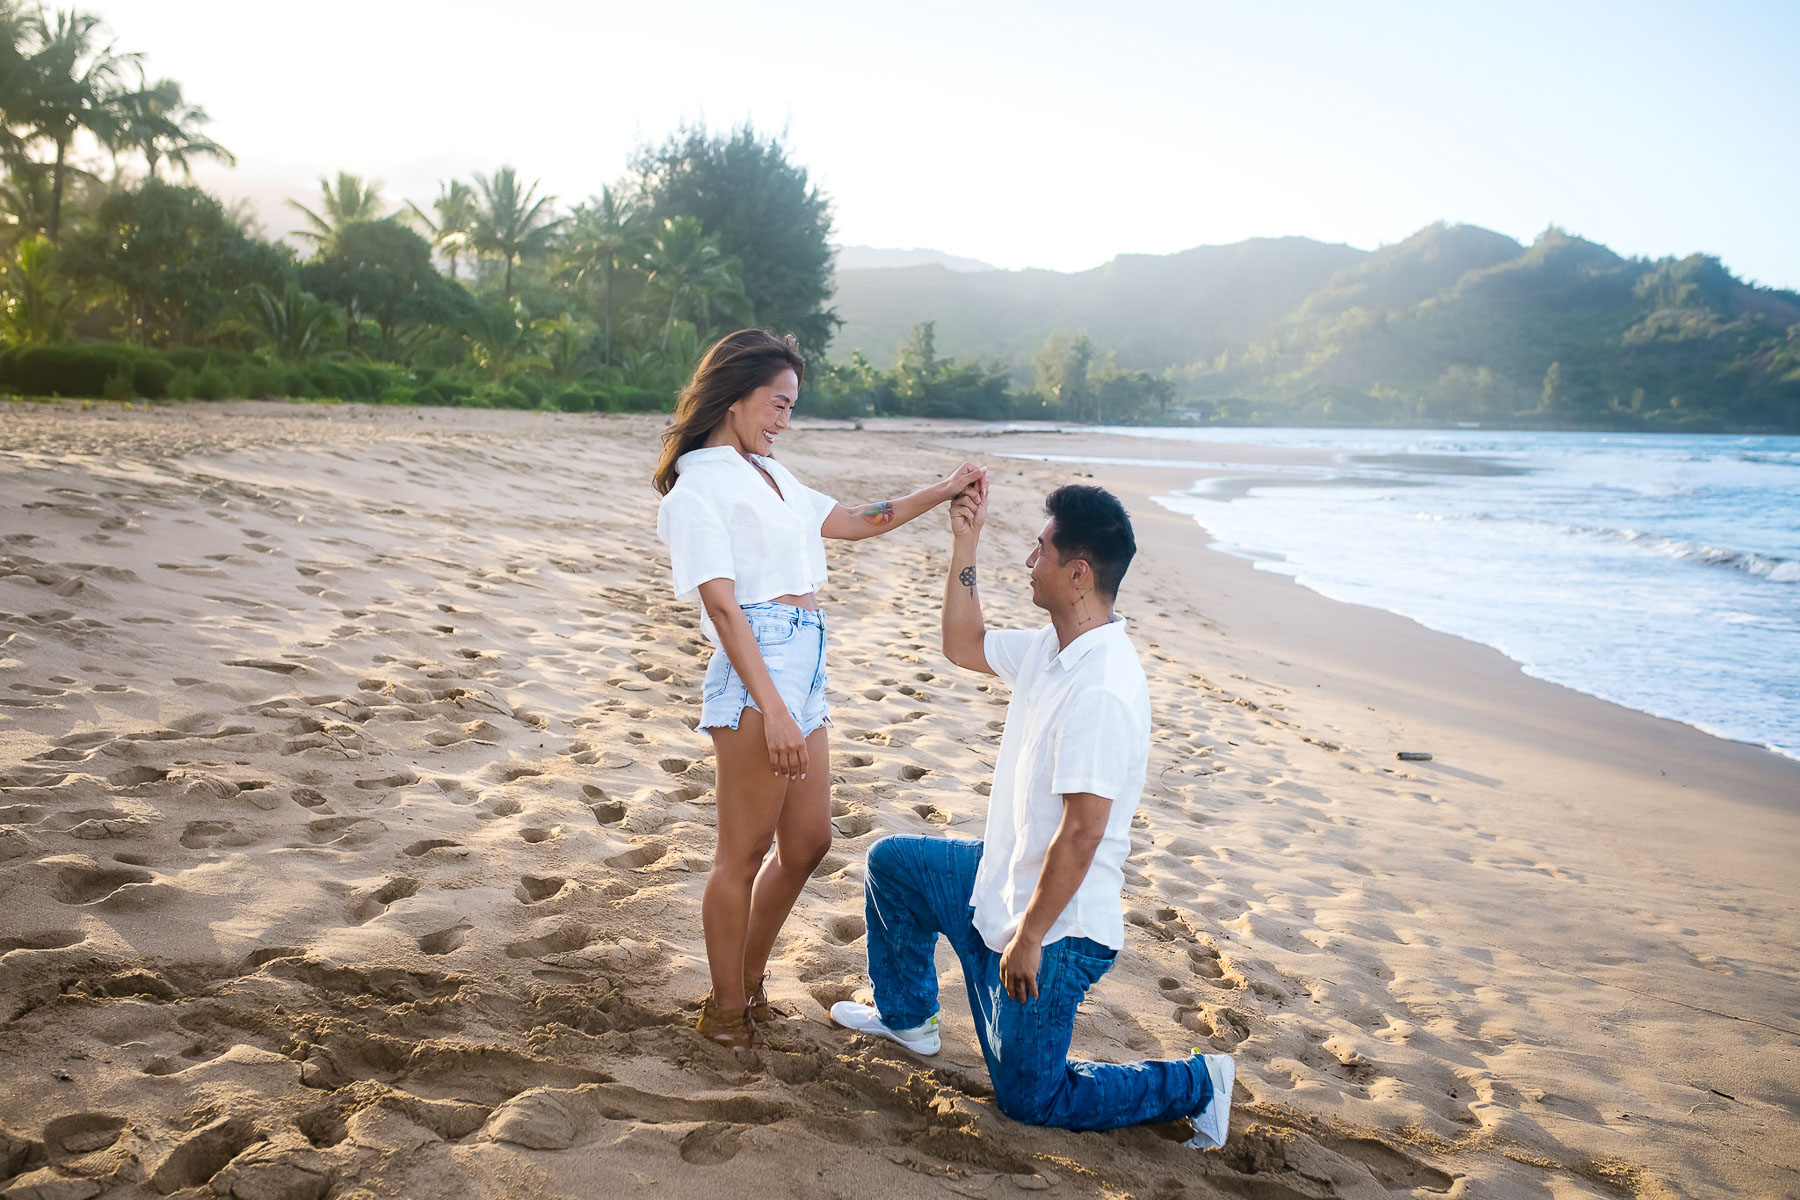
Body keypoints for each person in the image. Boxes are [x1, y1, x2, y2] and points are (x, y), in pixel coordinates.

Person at [829, 482, 1234, 1148]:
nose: (1029, 562)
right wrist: (967, 540)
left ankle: (1197, 1083)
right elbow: (964, 643)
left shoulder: (1100, 686)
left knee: (1030, 1098)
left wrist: (1028, 938)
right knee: (894, 866)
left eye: (1040, 549)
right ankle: (908, 1019)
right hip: (998, 884)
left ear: (1078, 573)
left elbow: (1084, 833)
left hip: (1059, 927)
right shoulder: (1054, 647)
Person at [653, 328, 985, 1052]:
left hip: (805, 658)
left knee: (807, 841)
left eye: (791, 408)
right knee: (740, 855)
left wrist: (944, 490)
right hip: (759, 667)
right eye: (777, 404)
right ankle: (726, 1011)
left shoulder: (772, 475)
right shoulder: (698, 487)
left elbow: (860, 523)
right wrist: (772, 704)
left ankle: (744, 977)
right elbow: (722, 608)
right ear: (734, 397)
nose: (783, 420)